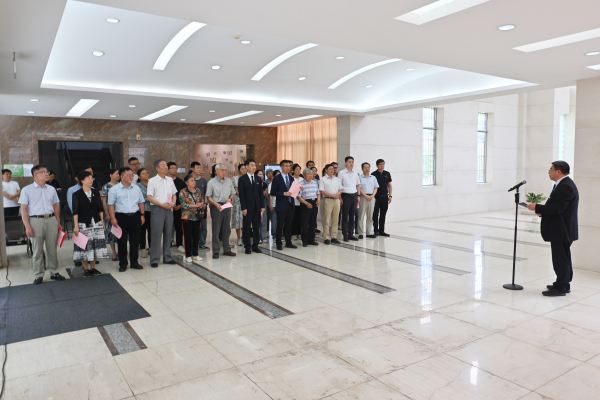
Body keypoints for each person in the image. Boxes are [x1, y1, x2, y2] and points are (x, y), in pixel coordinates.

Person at [527, 161, 579, 296]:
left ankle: (561, 287)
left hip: (562, 230)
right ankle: (563, 284)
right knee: (563, 258)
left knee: (560, 259)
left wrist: (537, 207)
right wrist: (543, 212)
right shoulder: (563, 184)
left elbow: (558, 208)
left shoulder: (565, 186)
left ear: (558, 171)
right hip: (562, 229)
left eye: (551, 169)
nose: (549, 172)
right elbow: (558, 207)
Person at [19, 164, 65, 284]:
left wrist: (58, 222)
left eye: (47, 171)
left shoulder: (51, 189)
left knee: (52, 248)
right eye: (44, 172)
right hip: (35, 221)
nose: (47, 174)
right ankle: (38, 274)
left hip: (51, 219)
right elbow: (23, 209)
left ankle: (54, 272)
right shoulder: (27, 190)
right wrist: (27, 226)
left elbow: (55, 206)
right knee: (37, 250)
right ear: (36, 175)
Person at [108, 167, 145, 272]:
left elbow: (141, 202)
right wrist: (113, 218)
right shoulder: (114, 189)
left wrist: (142, 215)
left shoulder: (136, 188)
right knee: (122, 241)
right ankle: (123, 263)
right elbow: (111, 205)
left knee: (135, 241)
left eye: (132, 175)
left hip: (135, 216)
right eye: (128, 175)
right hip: (121, 217)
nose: (131, 177)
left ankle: (134, 262)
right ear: (122, 176)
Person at [72, 170, 108, 277]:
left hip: (96, 222)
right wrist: (76, 226)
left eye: (92, 178)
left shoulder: (95, 192)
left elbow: (100, 208)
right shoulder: (77, 194)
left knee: (96, 245)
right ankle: (86, 269)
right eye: (88, 178)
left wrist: (102, 221)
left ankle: (93, 267)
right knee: (84, 245)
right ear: (82, 180)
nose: (91, 180)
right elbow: (75, 212)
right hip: (83, 223)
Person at [147, 159, 177, 268]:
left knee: (169, 234)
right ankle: (154, 259)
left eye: (166, 165)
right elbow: (149, 197)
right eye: (163, 165)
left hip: (169, 208)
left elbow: (174, 193)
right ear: (157, 168)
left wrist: (173, 202)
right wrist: (161, 205)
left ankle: (167, 257)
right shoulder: (152, 181)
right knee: (156, 234)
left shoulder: (170, 180)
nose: (166, 167)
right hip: (158, 208)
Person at [205, 163, 236, 259]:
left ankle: (227, 249)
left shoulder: (228, 181)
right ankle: (216, 251)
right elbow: (208, 196)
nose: (224, 172)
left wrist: (230, 199)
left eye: (225, 170)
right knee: (216, 229)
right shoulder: (211, 182)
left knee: (226, 228)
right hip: (216, 206)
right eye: (222, 170)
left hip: (227, 206)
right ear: (216, 171)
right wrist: (215, 204)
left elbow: (233, 193)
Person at [271, 160, 300, 250]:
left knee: (289, 224)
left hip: (290, 204)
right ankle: (278, 243)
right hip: (281, 205)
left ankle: (288, 242)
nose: (288, 167)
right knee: (280, 225)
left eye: (289, 166)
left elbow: (292, 192)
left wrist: (298, 189)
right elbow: (273, 192)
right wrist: (283, 193)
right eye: (286, 166)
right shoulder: (276, 178)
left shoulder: (291, 178)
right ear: (282, 167)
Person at [238, 159, 265, 254]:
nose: (254, 167)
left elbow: (260, 194)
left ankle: (255, 246)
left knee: (256, 227)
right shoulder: (242, 179)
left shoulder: (258, 178)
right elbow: (241, 195)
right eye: (252, 165)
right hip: (247, 208)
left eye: (255, 165)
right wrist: (244, 208)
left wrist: (262, 206)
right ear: (247, 166)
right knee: (246, 227)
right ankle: (247, 246)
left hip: (257, 207)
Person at [179, 174, 205, 262]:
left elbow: (201, 200)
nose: (194, 182)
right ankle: (188, 255)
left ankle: (195, 254)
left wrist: (201, 205)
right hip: (187, 217)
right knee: (188, 236)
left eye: (194, 180)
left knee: (196, 236)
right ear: (186, 182)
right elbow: (183, 205)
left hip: (196, 217)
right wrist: (195, 205)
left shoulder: (198, 191)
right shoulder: (183, 192)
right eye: (191, 180)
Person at [338, 156, 361, 242]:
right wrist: (340, 198)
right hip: (345, 195)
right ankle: (345, 234)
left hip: (354, 195)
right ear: (345, 163)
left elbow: (358, 185)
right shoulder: (341, 173)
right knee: (345, 215)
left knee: (352, 215)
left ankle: (351, 234)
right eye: (349, 162)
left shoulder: (355, 173)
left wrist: (358, 195)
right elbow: (339, 186)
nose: (351, 163)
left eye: (352, 162)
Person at [320, 164, 342, 245]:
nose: (332, 170)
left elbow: (341, 189)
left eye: (333, 169)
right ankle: (326, 237)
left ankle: (334, 236)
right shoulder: (323, 179)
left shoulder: (336, 179)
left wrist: (338, 194)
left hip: (336, 200)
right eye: (330, 169)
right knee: (327, 219)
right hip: (328, 200)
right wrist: (332, 195)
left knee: (336, 219)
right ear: (326, 170)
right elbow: (322, 191)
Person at [298, 168, 320, 247]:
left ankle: (312, 239)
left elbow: (318, 193)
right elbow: (298, 197)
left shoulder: (314, 183)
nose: (310, 176)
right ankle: (305, 240)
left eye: (311, 174)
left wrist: (318, 200)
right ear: (304, 175)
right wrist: (306, 203)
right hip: (305, 203)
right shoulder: (300, 184)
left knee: (313, 223)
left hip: (314, 203)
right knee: (305, 223)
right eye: (308, 174)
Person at [101, 168, 120, 261]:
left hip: (121, 211)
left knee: (121, 232)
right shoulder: (106, 186)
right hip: (110, 212)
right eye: (116, 174)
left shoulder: (122, 185)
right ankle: (114, 252)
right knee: (111, 232)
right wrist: (107, 214)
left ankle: (121, 250)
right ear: (111, 175)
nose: (118, 176)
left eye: (119, 174)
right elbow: (104, 201)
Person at [191, 161, 209, 251]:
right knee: (193, 227)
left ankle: (202, 243)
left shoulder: (204, 180)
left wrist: (205, 203)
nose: (199, 169)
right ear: (192, 169)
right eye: (197, 168)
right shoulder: (189, 180)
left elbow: (206, 194)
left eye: (200, 168)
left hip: (202, 208)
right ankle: (193, 244)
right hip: (192, 208)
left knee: (203, 227)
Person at [357, 162, 379, 239]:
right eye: (365, 167)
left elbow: (376, 187)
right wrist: (365, 196)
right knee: (361, 216)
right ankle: (360, 233)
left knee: (370, 216)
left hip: (371, 197)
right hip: (363, 197)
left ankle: (369, 232)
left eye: (368, 167)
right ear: (362, 169)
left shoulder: (373, 177)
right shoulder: (359, 177)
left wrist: (372, 195)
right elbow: (359, 188)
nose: (367, 169)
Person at [167, 162, 186, 253]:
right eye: (172, 168)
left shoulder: (180, 182)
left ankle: (179, 244)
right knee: (167, 227)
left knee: (179, 227)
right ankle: (168, 245)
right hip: (167, 207)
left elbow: (184, 195)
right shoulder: (165, 181)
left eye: (176, 168)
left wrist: (180, 205)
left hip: (178, 208)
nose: (175, 170)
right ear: (167, 169)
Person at [372, 159, 393, 237]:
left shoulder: (387, 173)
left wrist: (390, 196)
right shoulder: (373, 174)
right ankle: (376, 231)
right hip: (376, 197)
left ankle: (382, 231)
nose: (382, 166)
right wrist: (373, 197)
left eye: (383, 164)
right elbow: (372, 187)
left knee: (383, 215)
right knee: (375, 214)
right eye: (380, 164)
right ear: (377, 165)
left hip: (385, 197)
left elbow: (389, 185)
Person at [136, 168, 152, 258]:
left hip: (153, 209)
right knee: (142, 231)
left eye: (147, 173)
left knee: (151, 230)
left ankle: (151, 247)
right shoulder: (137, 186)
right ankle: (143, 248)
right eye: (143, 173)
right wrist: (150, 199)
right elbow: (140, 198)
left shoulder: (152, 183)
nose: (146, 174)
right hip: (142, 210)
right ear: (139, 176)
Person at [232, 163, 247, 246]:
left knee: (245, 220)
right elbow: (236, 191)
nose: (244, 170)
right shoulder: (235, 178)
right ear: (238, 170)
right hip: (238, 202)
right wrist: (244, 196)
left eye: (245, 169)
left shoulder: (248, 178)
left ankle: (244, 237)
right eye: (242, 169)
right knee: (238, 220)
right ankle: (239, 238)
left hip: (247, 201)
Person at [291, 163, 303, 241]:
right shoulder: (291, 178)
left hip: (301, 201)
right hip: (294, 201)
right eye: (297, 169)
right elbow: (291, 191)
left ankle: (299, 233)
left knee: (300, 218)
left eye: (299, 169)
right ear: (293, 170)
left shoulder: (302, 179)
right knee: (293, 218)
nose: (298, 171)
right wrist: (298, 189)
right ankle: (293, 233)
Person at [268, 170, 280, 240]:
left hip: (281, 205)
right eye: (277, 175)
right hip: (274, 205)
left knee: (280, 222)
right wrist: (271, 205)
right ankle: (274, 235)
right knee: (274, 222)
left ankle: (279, 235)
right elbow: (270, 196)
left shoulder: (282, 184)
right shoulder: (271, 184)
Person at [257, 169, 268, 242]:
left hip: (263, 202)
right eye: (259, 174)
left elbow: (266, 194)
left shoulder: (264, 184)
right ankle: (258, 237)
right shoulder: (255, 183)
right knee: (257, 220)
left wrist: (265, 193)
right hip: (256, 203)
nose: (261, 175)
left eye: (262, 174)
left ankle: (263, 237)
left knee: (264, 220)